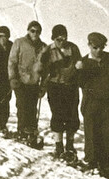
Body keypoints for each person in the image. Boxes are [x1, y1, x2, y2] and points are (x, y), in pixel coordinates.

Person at [74, 32, 109, 179]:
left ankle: (104, 163)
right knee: (91, 132)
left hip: (108, 102)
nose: (98, 51)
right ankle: (91, 160)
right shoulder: (83, 62)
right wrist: (79, 70)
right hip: (91, 102)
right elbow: (79, 83)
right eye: (95, 47)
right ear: (89, 45)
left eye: (101, 47)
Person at [39, 24, 81, 163]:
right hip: (55, 86)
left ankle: (69, 145)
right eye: (58, 38)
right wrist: (43, 85)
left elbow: (79, 64)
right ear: (54, 37)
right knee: (57, 115)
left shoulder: (73, 48)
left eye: (63, 38)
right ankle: (58, 145)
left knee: (72, 115)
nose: (61, 41)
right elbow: (43, 69)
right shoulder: (48, 50)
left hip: (71, 86)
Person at [9, 21, 46, 148]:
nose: (35, 33)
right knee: (22, 105)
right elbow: (12, 61)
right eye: (32, 30)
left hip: (35, 82)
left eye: (37, 31)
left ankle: (31, 131)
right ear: (28, 31)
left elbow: (46, 69)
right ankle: (21, 131)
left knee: (32, 107)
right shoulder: (19, 42)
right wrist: (13, 77)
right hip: (21, 80)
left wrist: (43, 86)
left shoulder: (43, 47)